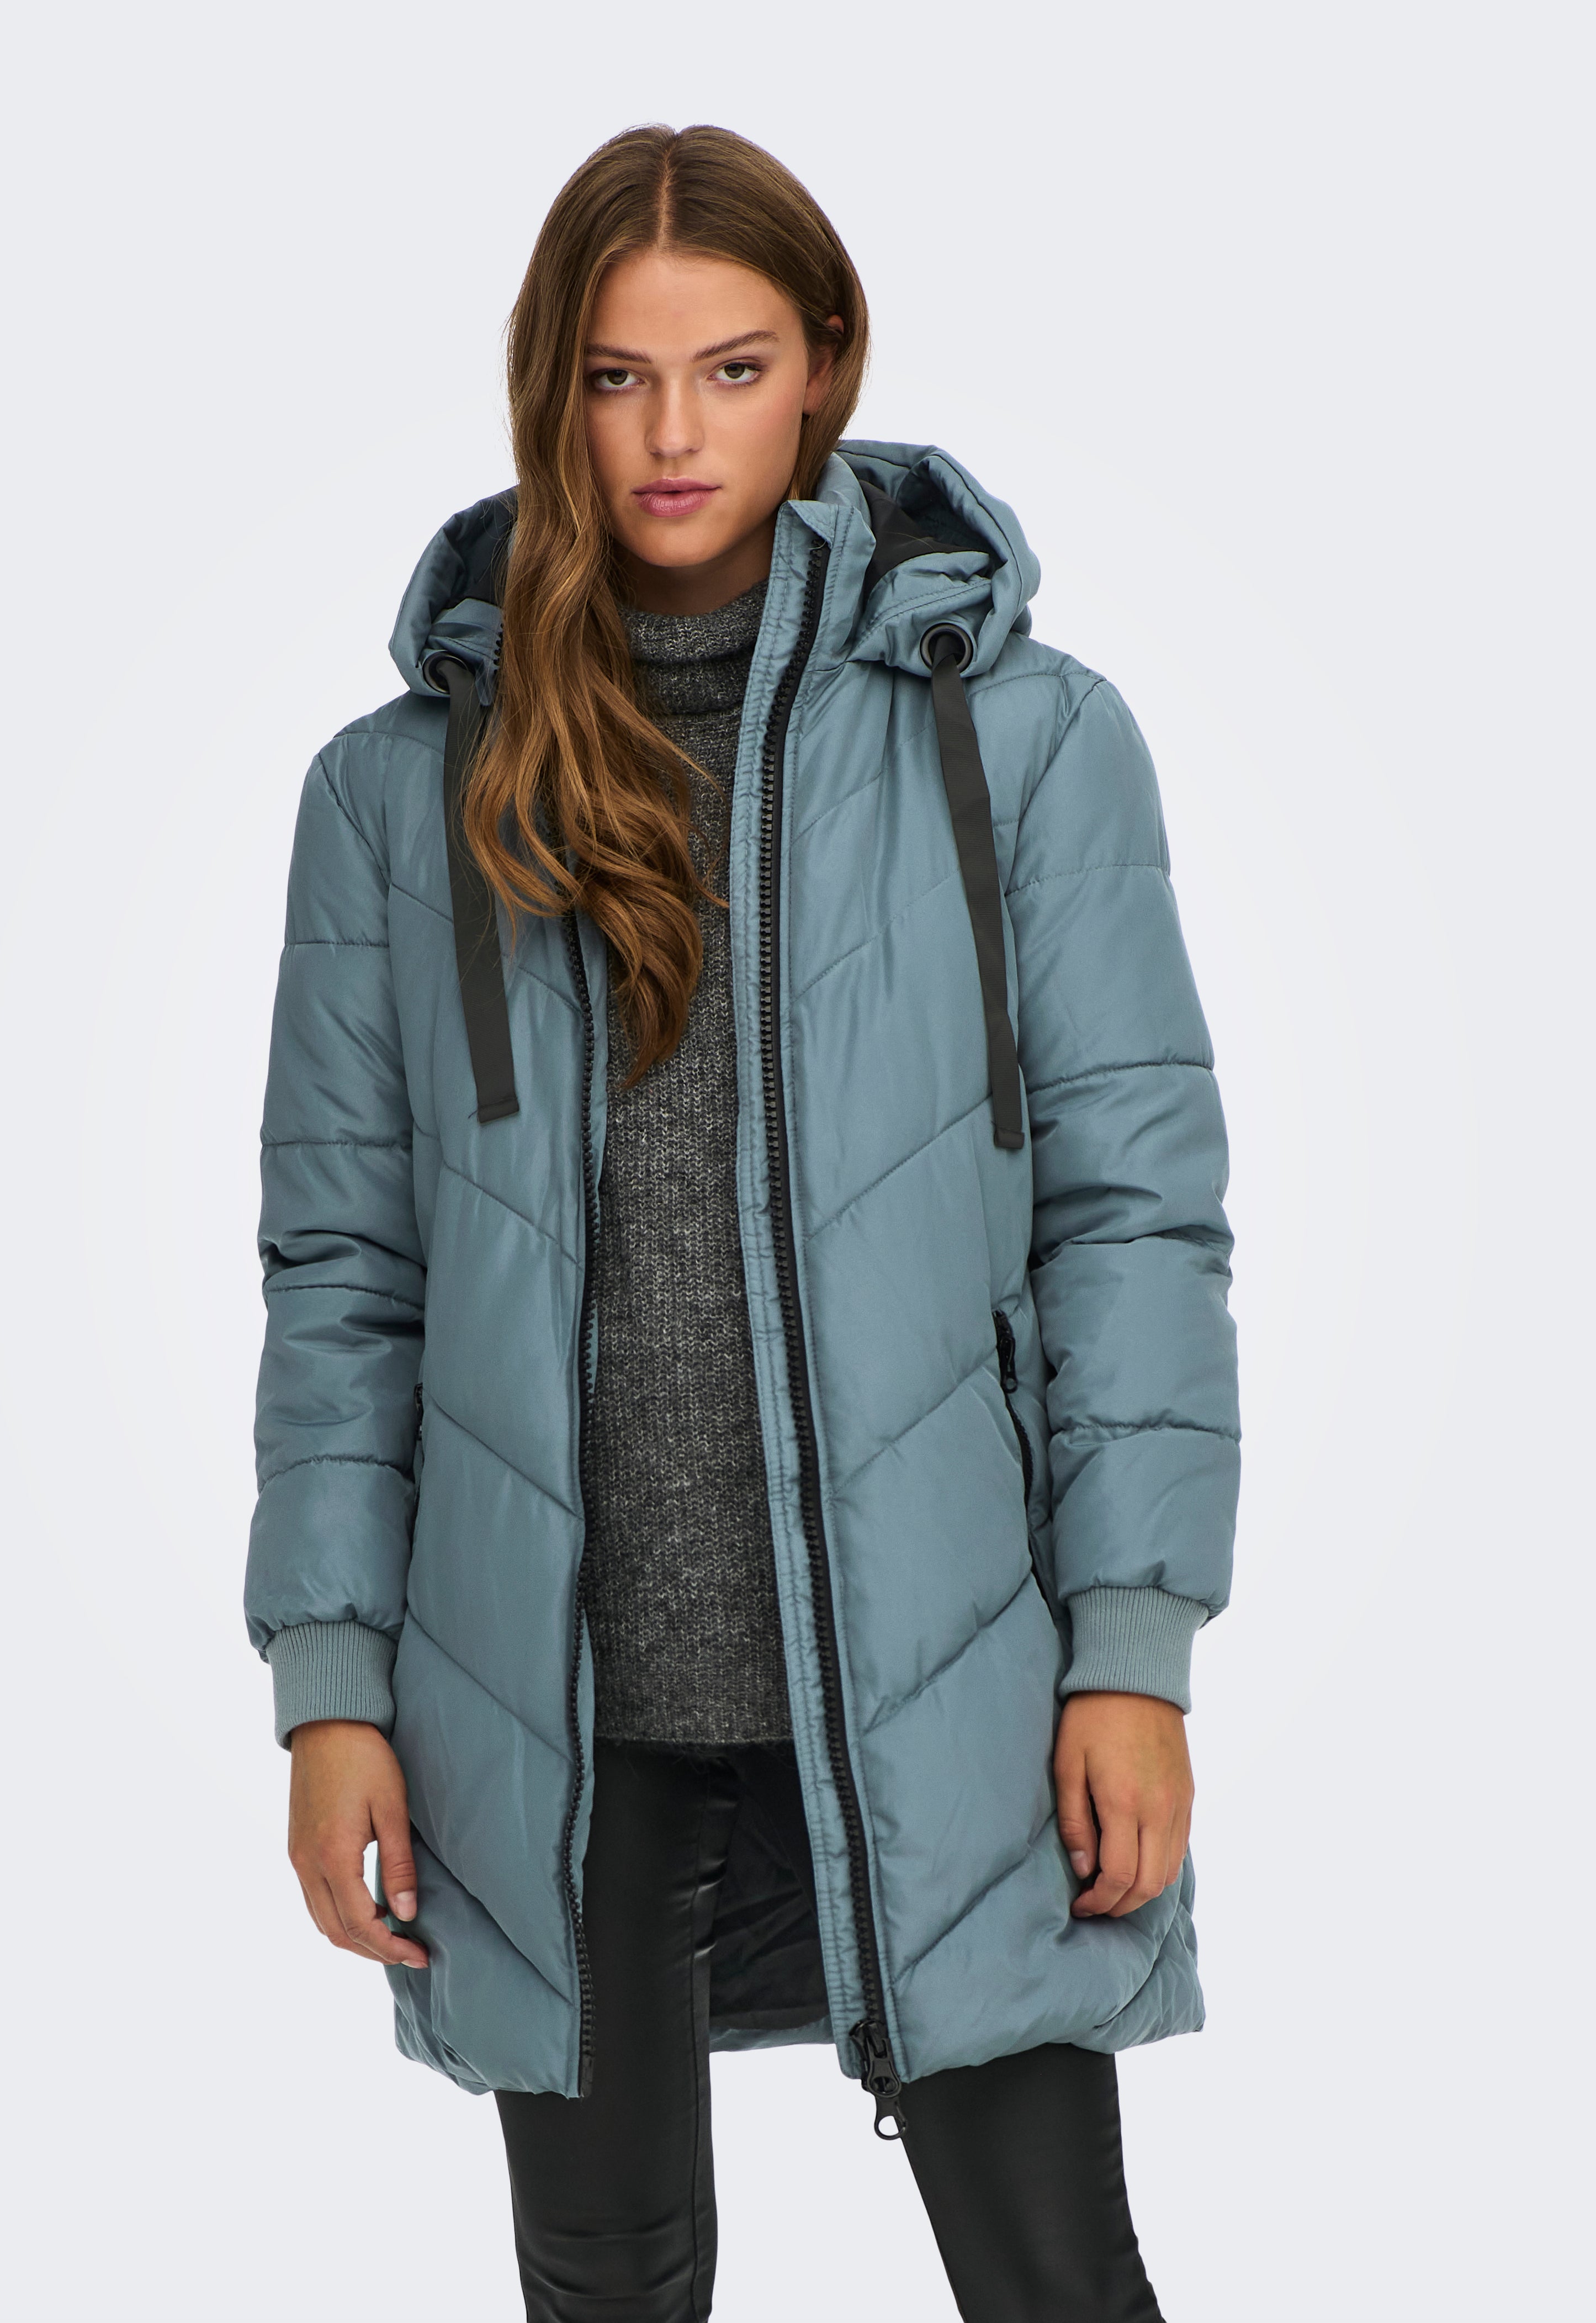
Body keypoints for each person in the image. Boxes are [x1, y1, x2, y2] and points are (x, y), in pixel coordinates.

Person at [244, 121, 1238, 2323]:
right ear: (551, 388)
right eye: (617, 377)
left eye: (731, 367)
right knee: (606, 2281)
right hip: (550, 1690)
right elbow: (347, 1274)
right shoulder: (402, 792)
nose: (672, 434)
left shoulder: (1025, 741)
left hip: (946, 1655)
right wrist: (331, 1684)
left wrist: (1129, 1648)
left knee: (1054, 2274)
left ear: (824, 366)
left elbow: (1133, 1220)